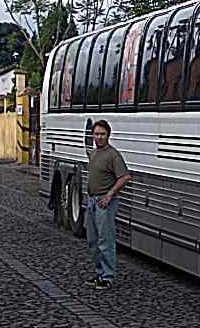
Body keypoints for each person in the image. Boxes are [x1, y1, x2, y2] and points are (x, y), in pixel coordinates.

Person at [84, 119, 131, 290]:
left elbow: (125, 177)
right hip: (92, 201)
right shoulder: (94, 153)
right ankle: (99, 273)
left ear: (108, 135)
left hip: (104, 202)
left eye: (102, 134)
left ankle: (107, 276)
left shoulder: (113, 155)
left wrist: (109, 195)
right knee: (93, 240)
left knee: (105, 240)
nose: (99, 137)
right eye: (96, 134)